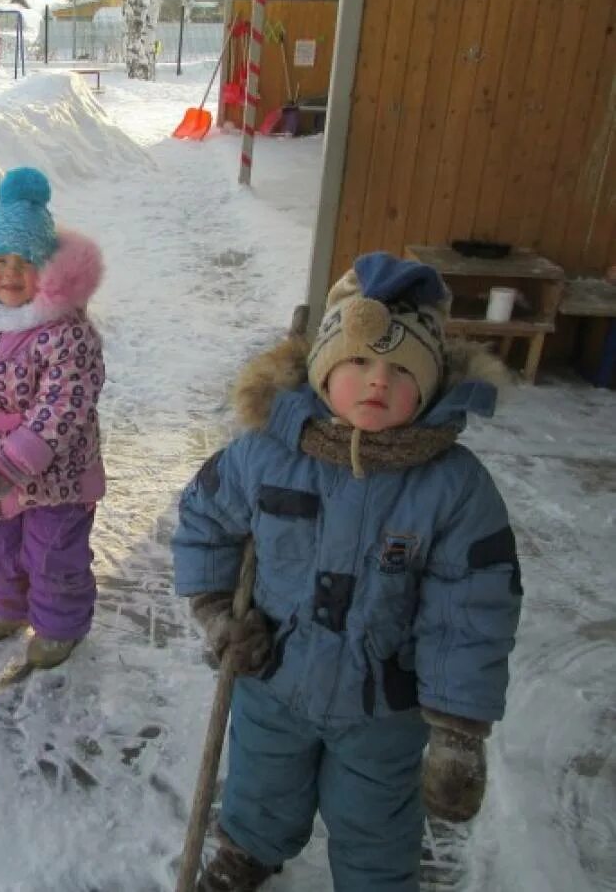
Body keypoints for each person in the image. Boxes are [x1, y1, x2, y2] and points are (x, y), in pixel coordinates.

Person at [172, 252, 523, 891]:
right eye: (358, 362)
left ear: (432, 382)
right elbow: (206, 519)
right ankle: (249, 848)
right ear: (322, 370)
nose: (377, 381)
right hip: (274, 673)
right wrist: (218, 613)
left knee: (376, 818)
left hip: (385, 703)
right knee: (261, 779)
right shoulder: (264, 456)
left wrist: (459, 731)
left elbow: (472, 610)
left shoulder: (453, 488)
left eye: (400, 369)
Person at [0, 166, 106, 670]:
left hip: (57, 476)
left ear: (46, 271)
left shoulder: (66, 334)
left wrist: (13, 461)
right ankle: (8, 605)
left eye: (24, 262)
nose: (10, 272)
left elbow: (62, 409)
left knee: (53, 554)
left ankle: (58, 623)